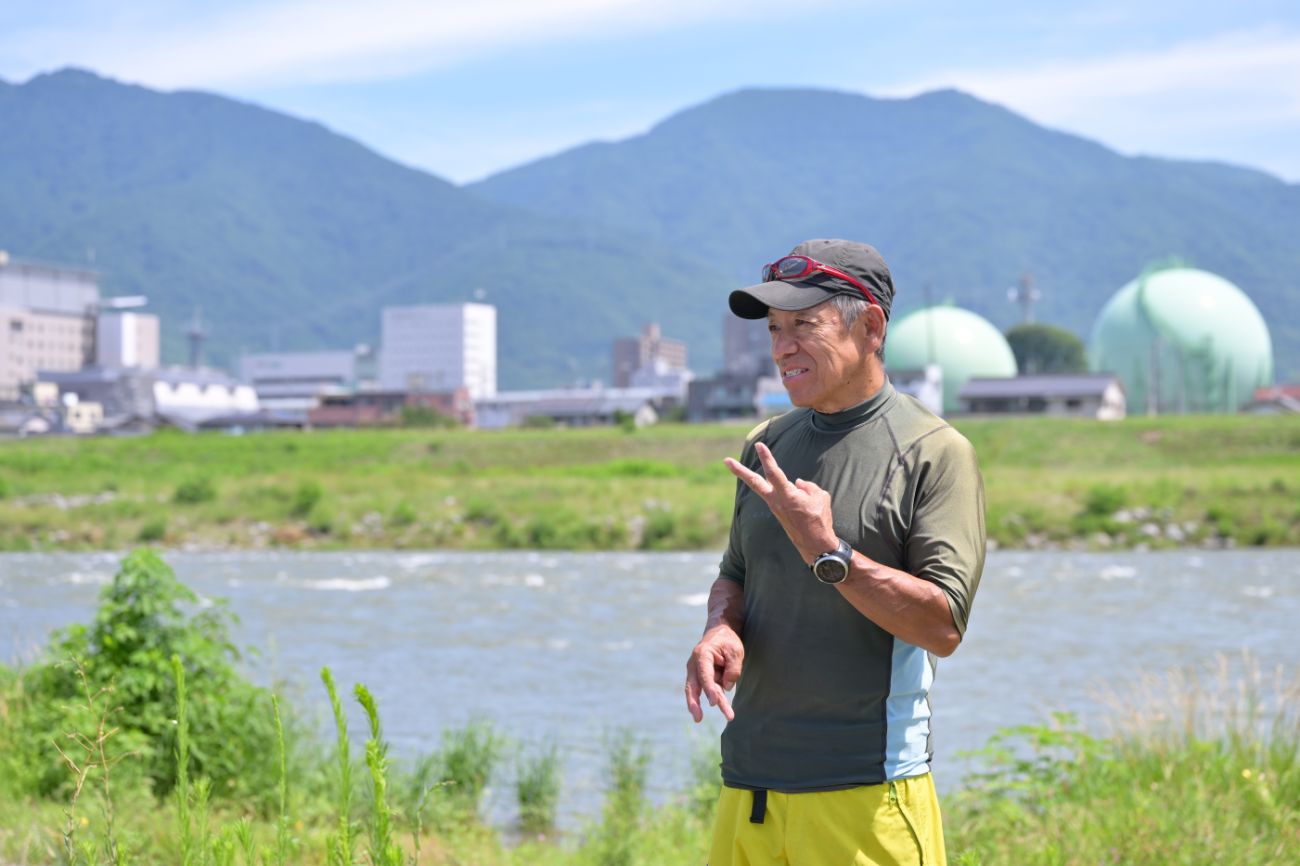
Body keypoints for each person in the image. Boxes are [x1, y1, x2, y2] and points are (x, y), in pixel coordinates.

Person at [685, 238, 986, 866]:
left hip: (867, 794)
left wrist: (828, 551)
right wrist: (720, 627)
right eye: (774, 329)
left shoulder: (933, 451)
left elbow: (942, 626)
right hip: (751, 787)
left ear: (870, 326)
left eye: (804, 325)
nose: (782, 347)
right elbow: (735, 573)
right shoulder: (766, 442)